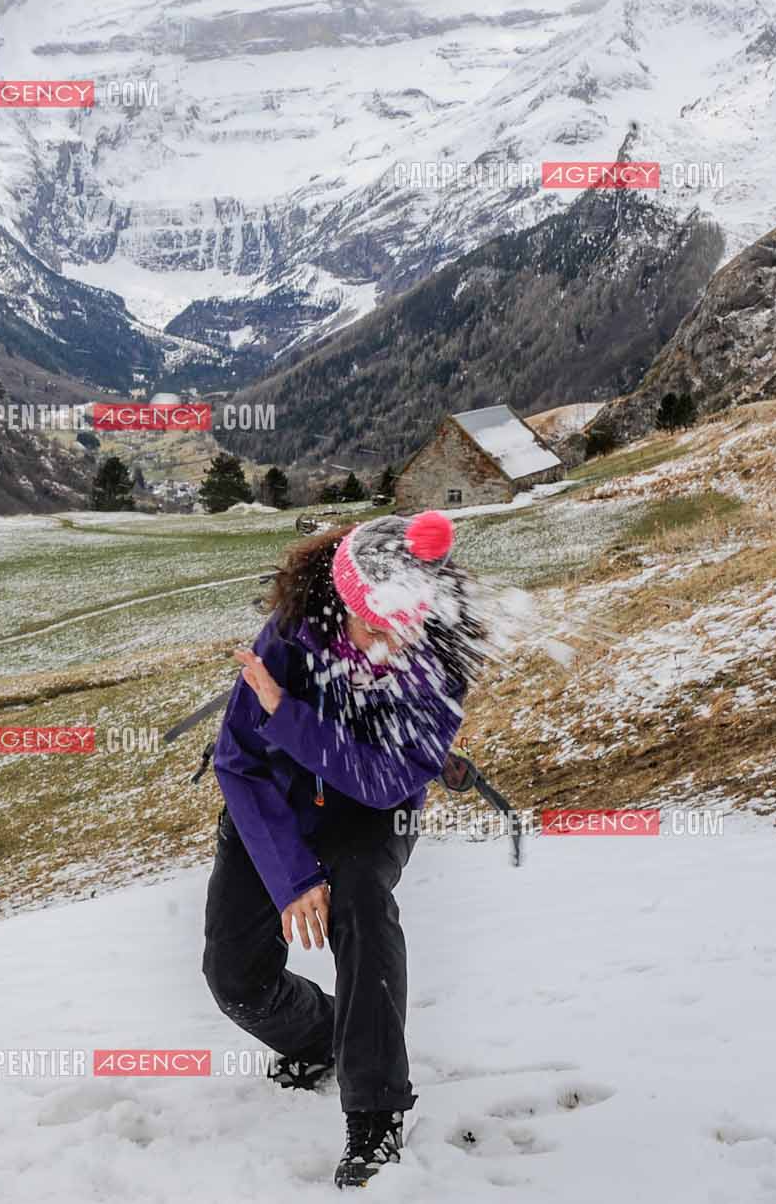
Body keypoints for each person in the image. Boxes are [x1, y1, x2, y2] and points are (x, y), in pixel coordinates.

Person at [203, 509, 482, 1189]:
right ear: (343, 605)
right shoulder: (290, 635)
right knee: (235, 980)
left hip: (371, 816)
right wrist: (293, 876)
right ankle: (321, 1036)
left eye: (403, 628)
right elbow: (238, 760)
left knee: (362, 906)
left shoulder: (443, 660)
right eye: (374, 628)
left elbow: (385, 782)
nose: (390, 645)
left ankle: (376, 1110)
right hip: (276, 808)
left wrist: (288, 717)